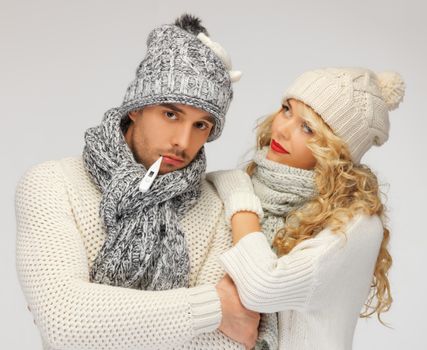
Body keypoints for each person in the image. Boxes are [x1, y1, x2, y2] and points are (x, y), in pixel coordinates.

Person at [15, 14, 276, 350]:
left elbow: (230, 343)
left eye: (202, 125)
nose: (183, 141)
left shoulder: (219, 207)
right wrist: (214, 307)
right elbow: (65, 323)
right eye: (171, 114)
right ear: (136, 108)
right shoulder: (52, 184)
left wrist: (103, 318)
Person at [208, 67, 405, 349]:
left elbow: (262, 287)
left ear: (336, 150)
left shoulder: (356, 222)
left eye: (308, 128)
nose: (282, 129)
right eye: (287, 109)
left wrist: (238, 195)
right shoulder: (257, 184)